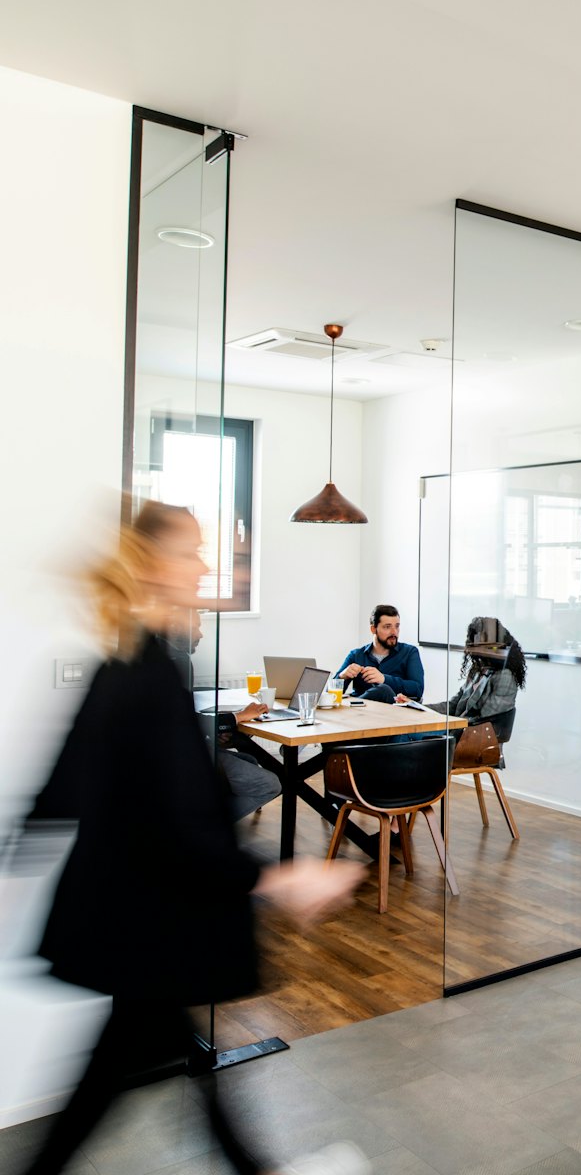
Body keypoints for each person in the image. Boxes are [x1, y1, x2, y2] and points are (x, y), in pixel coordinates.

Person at [21, 500, 366, 1175]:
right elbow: (174, 825)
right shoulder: (144, 673)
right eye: (192, 551)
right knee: (137, 1070)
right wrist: (279, 878)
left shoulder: (137, 660)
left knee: (148, 1067)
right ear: (151, 564)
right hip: (148, 921)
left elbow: (70, 781)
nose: (207, 563)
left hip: (138, 922)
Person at [166, 609, 282, 823]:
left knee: (249, 759)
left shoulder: (166, 657)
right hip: (179, 759)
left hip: (176, 754)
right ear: (175, 628)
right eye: (195, 627)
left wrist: (213, 731)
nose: (200, 634)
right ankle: (203, 829)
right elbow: (178, 723)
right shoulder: (175, 661)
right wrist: (236, 717)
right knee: (271, 784)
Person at [402, 615, 525, 732]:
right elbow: (454, 705)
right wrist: (417, 708)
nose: (479, 649)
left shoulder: (505, 676)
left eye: (485, 644)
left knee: (406, 735)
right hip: (457, 728)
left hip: (473, 737)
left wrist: (447, 724)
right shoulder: (477, 670)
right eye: (476, 643)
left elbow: (485, 722)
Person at [336, 603, 424, 703]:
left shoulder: (410, 652)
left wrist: (384, 679)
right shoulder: (356, 655)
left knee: (384, 690)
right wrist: (342, 676)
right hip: (360, 714)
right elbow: (329, 694)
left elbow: (418, 689)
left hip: (394, 714)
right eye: (387, 627)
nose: (394, 632)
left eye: (397, 626)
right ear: (373, 629)